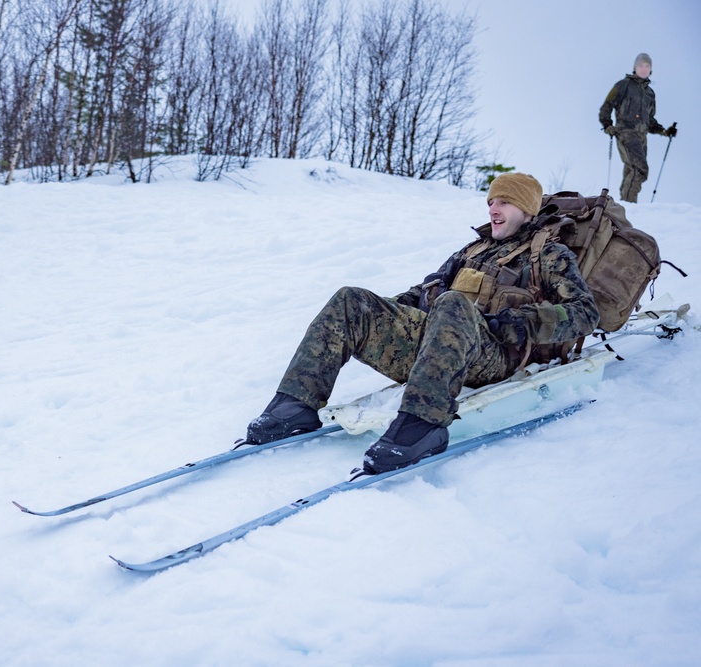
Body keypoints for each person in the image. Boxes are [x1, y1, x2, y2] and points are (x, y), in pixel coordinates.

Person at [244, 172, 600, 475]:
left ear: (526, 209)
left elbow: (586, 312)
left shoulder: (549, 254)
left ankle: (422, 426)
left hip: (493, 355)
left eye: (504, 202)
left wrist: (524, 322)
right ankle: (294, 407)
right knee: (351, 299)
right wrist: (382, 314)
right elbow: (424, 291)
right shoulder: (472, 250)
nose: (493, 209)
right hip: (437, 350)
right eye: (491, 201)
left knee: (452, 302)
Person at [599, 53, 677, 203]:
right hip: (625, 132)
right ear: (635, 67)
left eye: (647, 66)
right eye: (641, 65)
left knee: (631, 169)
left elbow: (650, 120)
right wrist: (607, 124)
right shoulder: (622, 85)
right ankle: (629, 205)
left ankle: (623, 204)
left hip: (642, 136)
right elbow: (607, 105)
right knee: (640, 169)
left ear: (651, 69)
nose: (644, 68)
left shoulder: (650, 93)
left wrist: (665, 131)